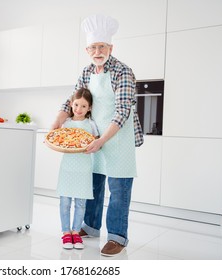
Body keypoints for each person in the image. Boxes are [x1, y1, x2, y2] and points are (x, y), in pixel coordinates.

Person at [52, 14, 141, 257]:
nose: (97, 51)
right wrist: (55, 126)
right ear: (87, 49)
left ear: (111, 48)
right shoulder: (87, 71)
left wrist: (103, 140)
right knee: (93, 182)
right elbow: (71, 101)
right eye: (93, 47)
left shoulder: (122, 71)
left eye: (102, 46)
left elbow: (123, 110)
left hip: (117, 136)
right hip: (93, 134)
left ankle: (117, 237)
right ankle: (90, 226)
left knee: (119, 187)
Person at [56, 88, 99, 250]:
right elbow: (59, 141)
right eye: (76, 105)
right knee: (65, 202)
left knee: (81, 203)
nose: (78, 109)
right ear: (71, 104)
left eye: (83, 106)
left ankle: (75, 232)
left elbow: (96, 144)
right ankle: (66, 232)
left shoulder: (91, 125)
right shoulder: (66, 123)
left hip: (84, 168)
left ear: (89, 108)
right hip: (67, 167)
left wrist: (94, 147)